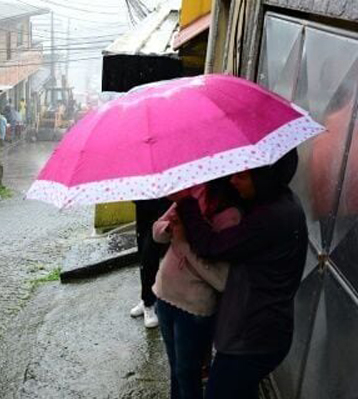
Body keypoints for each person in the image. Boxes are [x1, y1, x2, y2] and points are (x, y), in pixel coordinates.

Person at [173, 150, 306, 399]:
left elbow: (211, 246)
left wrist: (187, 202)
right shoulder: (280, 201)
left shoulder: (269, 218)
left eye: (242, 176)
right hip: (267, 332)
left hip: (252, 340)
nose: (233, 180)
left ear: (263, 178)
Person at [153, 180, 241, 399]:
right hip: (164, 296)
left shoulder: (230, 216)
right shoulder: (194, 193)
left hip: (193, 309)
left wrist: (183, 245)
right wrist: (168, 228)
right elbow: (156, 232)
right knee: (175, 369)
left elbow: (221, 279)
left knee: (187, 373)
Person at [130, 199, 171, 328]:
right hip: (143, 199)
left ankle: (150, 302)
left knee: (150, 251)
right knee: (142, 249)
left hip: (164, 200)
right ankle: (147, 298)